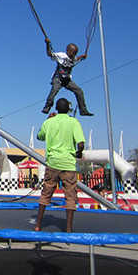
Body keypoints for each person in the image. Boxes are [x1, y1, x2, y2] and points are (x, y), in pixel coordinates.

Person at [34, 98, 85, 233]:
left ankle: (38, 224)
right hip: (68, 163)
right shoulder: (73, 122)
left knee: (46, 193)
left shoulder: (49, 122)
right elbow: (80, 143)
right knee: (70, 196)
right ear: (68, 108)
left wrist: (47, 119)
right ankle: (68, 228)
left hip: (52, 163)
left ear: (55, 109)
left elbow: (39, 136)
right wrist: (78, 153)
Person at [42, 39, 93, 116]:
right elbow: (49, 54)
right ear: (68, 51)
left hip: (66, 79)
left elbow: (76, 59)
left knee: (79, 91)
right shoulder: (62, 55)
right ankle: (47, 107)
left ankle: (83, 110)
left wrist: (82, 56)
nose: (74, 55)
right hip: (58, 77)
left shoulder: (73, 58)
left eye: (75, 53)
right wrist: (47, 44)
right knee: (54, 89)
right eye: (73, 53)